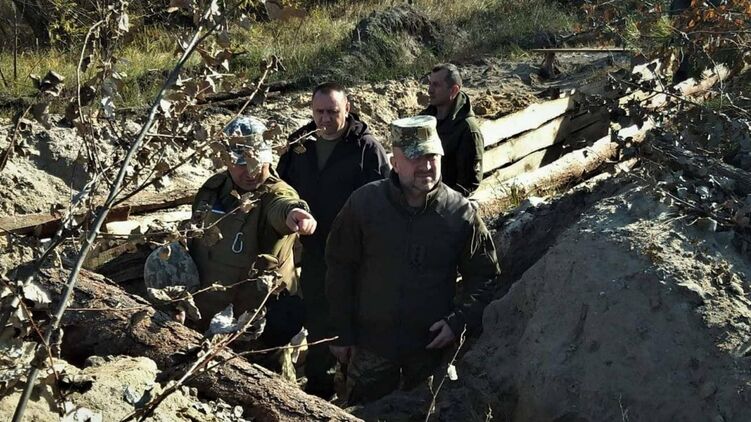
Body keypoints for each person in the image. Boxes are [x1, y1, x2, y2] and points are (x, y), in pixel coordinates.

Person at [325, 115, 500, 404]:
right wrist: (341, 332)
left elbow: (485, 276)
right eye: (415, 157)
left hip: (429, 355)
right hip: (372, 349)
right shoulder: (364, 205)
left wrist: (458, 321)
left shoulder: (459, 214)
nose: (426, 166)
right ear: (395, 162)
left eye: (432, 156)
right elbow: (339, 269)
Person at [277, 81, 391, 398]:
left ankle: (362, 393)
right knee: (318, 320)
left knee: (354, 322)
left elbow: (384, 203)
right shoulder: (300, 145)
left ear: (347, 109)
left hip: (355, 255)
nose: (325, 119)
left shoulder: (366, 148)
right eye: (319, 112)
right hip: (314, 250)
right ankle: (319, 393)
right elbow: (280, 190)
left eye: (333, 111)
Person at [187, 116, 317, 348]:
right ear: (226, 160)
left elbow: (282, 206)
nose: (250, 172)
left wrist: (294, 213)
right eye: (241, 163)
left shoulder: (275, 193)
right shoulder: (212, 189)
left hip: (257, 328)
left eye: (257, 163)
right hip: (207, 320)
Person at [421, 63, 484, 197]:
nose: (429, 90)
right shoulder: (424, 120)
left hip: (448, 201)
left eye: (436, 85)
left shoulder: (467, 129)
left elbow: (468, 183)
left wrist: (440, 201)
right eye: (430, 84)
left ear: (454, 90)